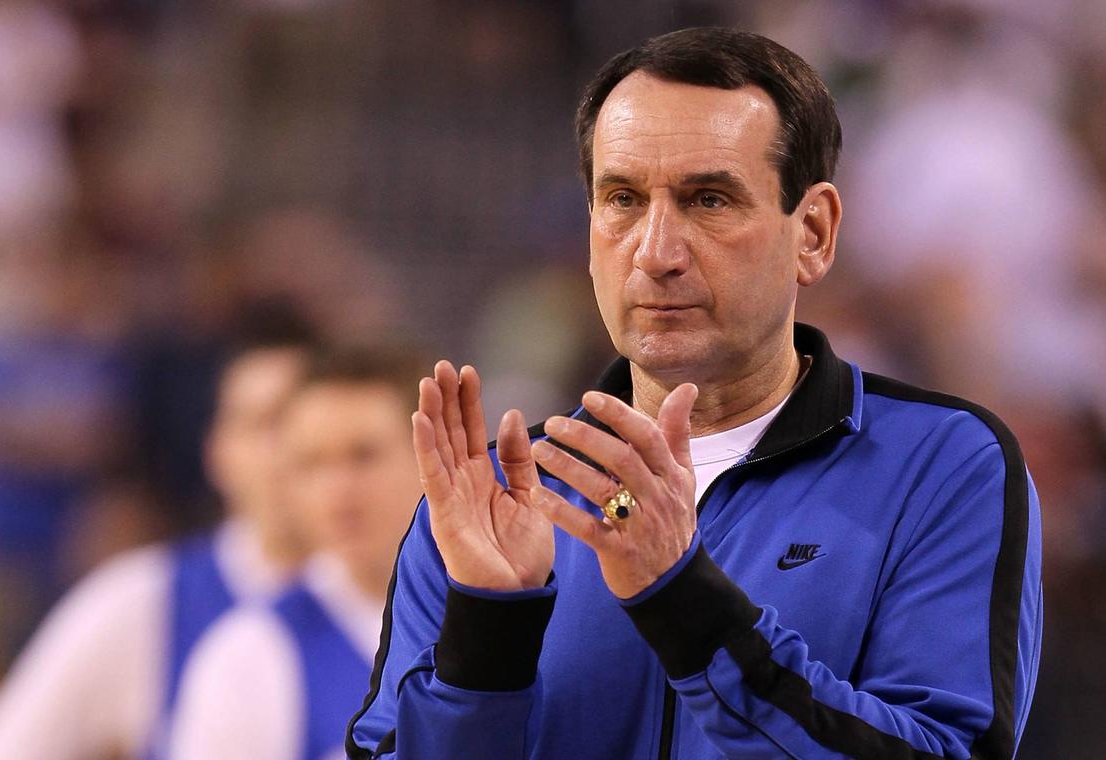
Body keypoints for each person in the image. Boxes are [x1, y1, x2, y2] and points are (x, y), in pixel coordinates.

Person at [347, 28, 1042, 760]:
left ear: (813, 232)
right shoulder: (492, 502)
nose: (655, 253)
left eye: (707, 199)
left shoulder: (944, 467)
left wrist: (682, 599)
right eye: (621, 198)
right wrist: (488, 635)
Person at [0, 314, 317, 760]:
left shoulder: (412, 609)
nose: (291, 448)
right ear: (217, 450)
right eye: (265, 423)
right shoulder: (144, 601)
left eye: (310, 423)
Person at [167, 347, 422, 760]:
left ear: (435, 452)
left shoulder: (522, 617)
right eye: (313, 464)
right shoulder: (251, 653)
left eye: (364, 455)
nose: (339, 491)